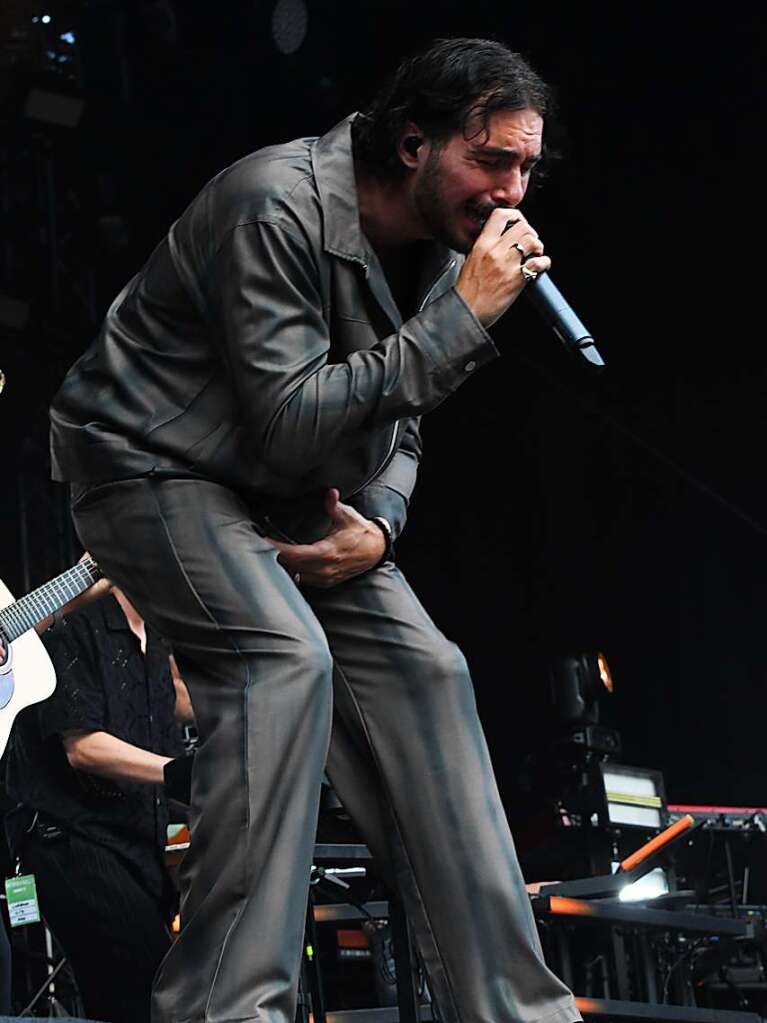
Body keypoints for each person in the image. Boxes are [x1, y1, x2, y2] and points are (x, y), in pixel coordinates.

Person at [48, 36, 582, 1023]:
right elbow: (288, 416)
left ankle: (514, 1010)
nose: (512, 190)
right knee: (281, 662)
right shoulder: (272, 201)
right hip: (149, 463)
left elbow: (399, 421)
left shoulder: (440, 246)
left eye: (526, 166)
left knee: (430, 671)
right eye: (492, 159)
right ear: (414, 142)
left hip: (287, 487)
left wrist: (378, 524)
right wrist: (462, 320)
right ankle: (225, 1009)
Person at [4, 587, 185, 1023]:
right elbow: (82, 746)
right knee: (147, 992)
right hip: (71, 841)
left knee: (142, 996)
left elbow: (180, 704)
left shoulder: (157, 636)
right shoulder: (74, 624)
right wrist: (180, 772)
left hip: (136, 846)